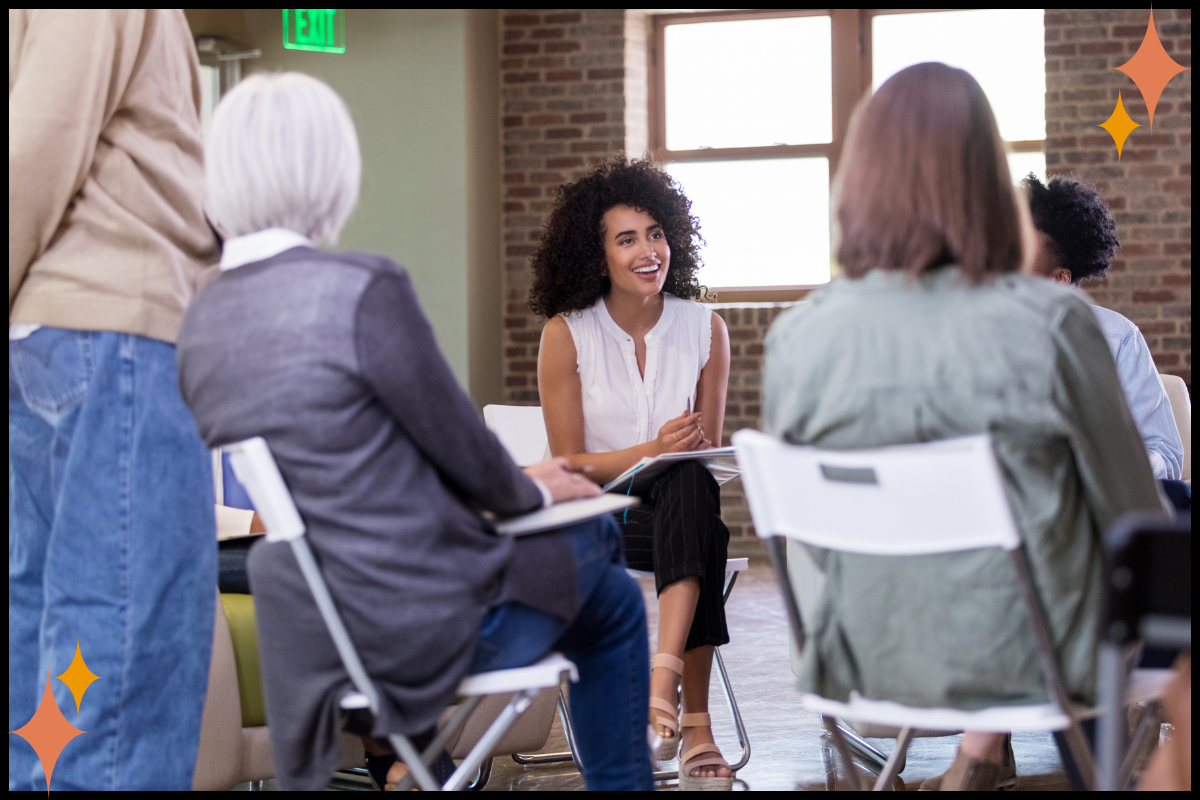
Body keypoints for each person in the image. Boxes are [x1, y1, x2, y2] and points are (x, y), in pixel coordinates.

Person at [175, 72, 654, 791]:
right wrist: (534, 488)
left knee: (590, 556)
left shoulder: (197, 321)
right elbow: (467, 455)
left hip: (318, 625)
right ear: (332, 171)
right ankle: (437, 756)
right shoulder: (361, 289)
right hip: (418, 624)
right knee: (606, 573)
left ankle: (420, 758)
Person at [763, 62, 1163, 791]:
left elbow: (812, 544)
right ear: (989, 182)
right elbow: (1136, 516)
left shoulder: (799, 336)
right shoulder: (1050, 322)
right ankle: (1011, 750)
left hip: (860, 655)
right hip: (1033, 657)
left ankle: (979, 751)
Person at [9, 10, 220, 790]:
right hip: (115, 335)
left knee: (48, 666)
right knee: (124, 658)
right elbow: (37, 140)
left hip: (51, 341)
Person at [534, 157, 736, 790]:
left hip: (679, 508)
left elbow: (703, 450)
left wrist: (678, 452)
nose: (649, 251)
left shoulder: (706, 329)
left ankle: (661, 679)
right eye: (627, 240)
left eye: (656, 234)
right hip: (601, 518)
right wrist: (650, 449)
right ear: (598, 259)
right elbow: (568, 467)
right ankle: (694, 722)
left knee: (690, 488)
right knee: (698, 517)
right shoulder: (566, 335)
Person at [1023, 173, 1188, 510]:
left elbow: (1166, 453)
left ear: (1059, 279)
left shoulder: (1117, 338)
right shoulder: (980, 335)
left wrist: (1119, 466)